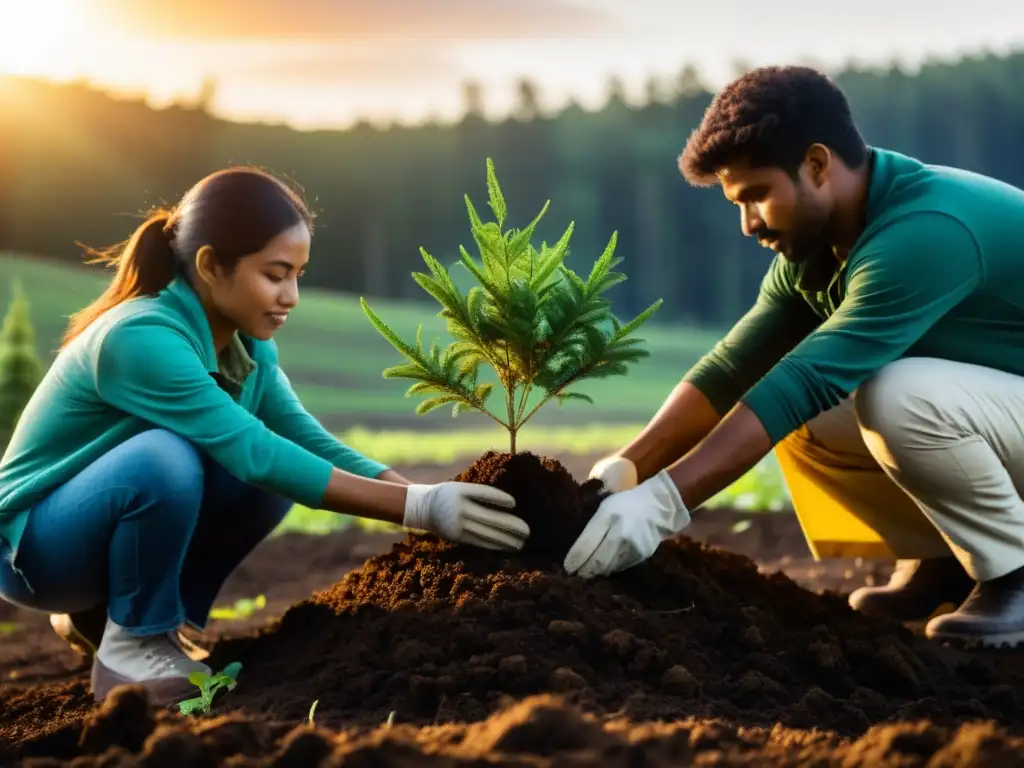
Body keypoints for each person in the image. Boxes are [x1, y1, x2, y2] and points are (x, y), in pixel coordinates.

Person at [0, 167, 530, 706]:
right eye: (276, 274)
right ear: (210, 265)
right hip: (36, 552)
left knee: (268, 474)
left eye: (298, 274)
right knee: (167, 459)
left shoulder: (248, 347)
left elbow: (306, 440)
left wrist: (420, 502)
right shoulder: (141, 337)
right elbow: (254, 452)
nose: (291, 296)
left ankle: (128, 620)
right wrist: (419, 507)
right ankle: (133, 646)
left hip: (93, 526)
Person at [563, 64, 1024, 650]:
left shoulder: (924, 230)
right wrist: (623, 472)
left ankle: (1014, 571)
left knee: (894, 396)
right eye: (736, 202)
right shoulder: (820, 250)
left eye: (757, 196)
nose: (748, 224)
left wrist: (661, 506)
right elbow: (733, 369)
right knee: (817, 413)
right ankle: (943, 558)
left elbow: (805, 379)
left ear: (816, 165)